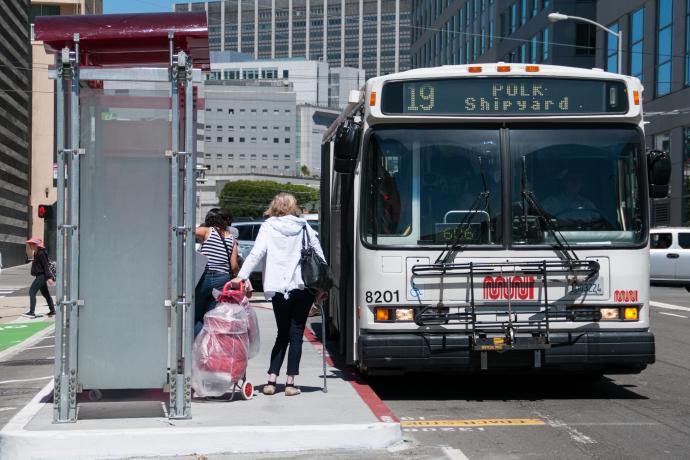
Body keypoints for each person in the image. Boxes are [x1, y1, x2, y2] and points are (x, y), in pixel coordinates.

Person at [231, 192, 327, 397]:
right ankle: (291, 383)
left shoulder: (268, 226)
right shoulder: (303, 226)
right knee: (297, 334)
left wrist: (241, 276)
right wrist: (322, 287)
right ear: (293, 207)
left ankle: (271, 380)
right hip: (301, 287)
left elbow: (257, 253)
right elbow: (319, 255)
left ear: (274, 206)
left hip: (277, 288)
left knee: (282, 333)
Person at [194, 208, 239, 335]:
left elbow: (187, 232)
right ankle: (210, 345)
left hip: (205, 277)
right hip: (222, 280)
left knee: (196, 315)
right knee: (212, 315)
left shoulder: (207, 231)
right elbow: (234, 266)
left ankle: (198, 343)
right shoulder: (232, 239)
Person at [23, 237, 55, 319]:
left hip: (42, 276)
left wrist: (49, 277)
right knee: (46, 294)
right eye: (30, 244)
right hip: (40, 275)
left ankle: (31, 312)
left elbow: (46, 266)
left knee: (32, 291)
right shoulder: (36, 252)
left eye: (31, 244)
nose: (30, 245)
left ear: (36, 245)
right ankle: (52, 310)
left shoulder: (41, 253)